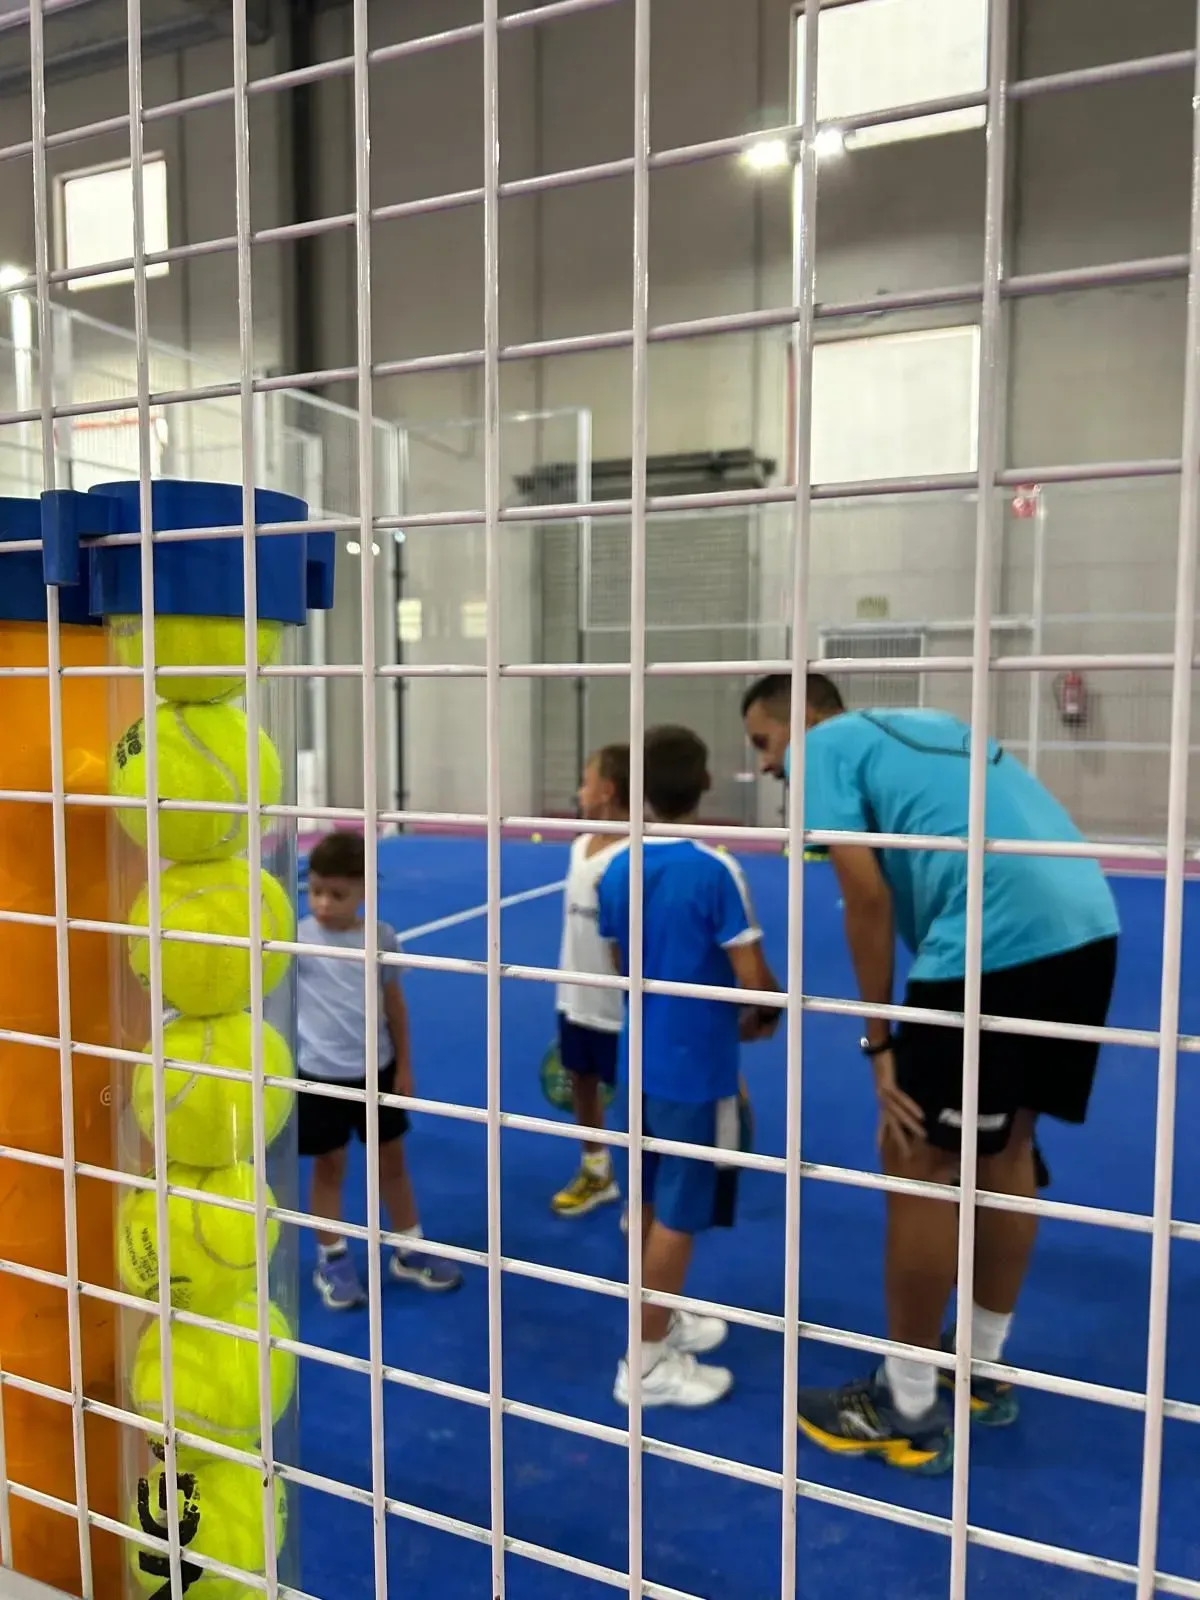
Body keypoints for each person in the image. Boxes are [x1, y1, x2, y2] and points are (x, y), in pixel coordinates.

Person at [741, 673, 1120, 1472]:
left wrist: (880, 1042)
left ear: (801, 720)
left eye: (765, 743)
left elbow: (865, 896)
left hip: (994, 940)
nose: (771, 767)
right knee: (1007, 1149)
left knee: (918, 1158)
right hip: (1086, 925)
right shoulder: (919, 726)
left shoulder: (826, 748)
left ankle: (906, 1402)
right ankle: (978, 1368)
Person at [597, 726, 780, 1409]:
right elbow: (752, 980)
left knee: (646, 1199)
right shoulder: (715, 869)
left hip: (636, 1057)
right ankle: (643, 1366)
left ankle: (659, 1323)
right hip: (695, 1066)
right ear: (704, 784)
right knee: (679, 1210)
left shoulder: (619, 864)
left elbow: (621, 964)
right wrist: (764, 1016)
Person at [297, 830, 463, 1308]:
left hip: (378, 1071)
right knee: (330, 1167)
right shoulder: (295, 937)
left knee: (393, 1161)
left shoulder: (382, 937)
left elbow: (395, 1004)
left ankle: (408, 1248)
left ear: (364, 891)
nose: (324, 904)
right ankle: (332, 1257)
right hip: (319, 1075)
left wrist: (404, 1065)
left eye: (338, 894)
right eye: (316, 891)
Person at [551, 744, 631, 1217]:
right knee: (582, 1082)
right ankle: (597, 1171)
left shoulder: (633, 852)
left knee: (641, 1102)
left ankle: (649, 1191)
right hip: (574, 996)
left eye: (586, 780)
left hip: (619, 1007)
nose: (579, 790)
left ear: (608, 790)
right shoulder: (580, 844)